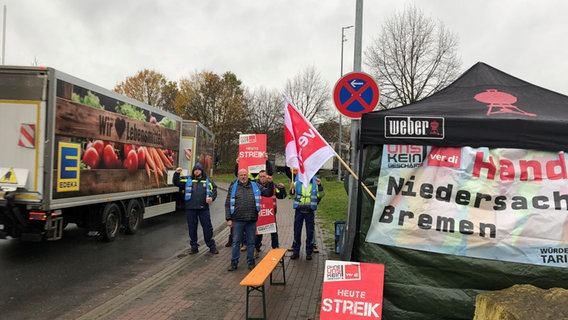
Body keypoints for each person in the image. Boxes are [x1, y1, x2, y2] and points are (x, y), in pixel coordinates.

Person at [225, 169, 271, 271]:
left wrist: (270, 183)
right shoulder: (233, 187)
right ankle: (234, 262)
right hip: (237, 220)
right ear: (238, 176)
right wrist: (228, 218)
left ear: (248, 175)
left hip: (251, 219)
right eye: (241, 175)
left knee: (251, 242)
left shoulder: (255, 185)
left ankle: (251, 262)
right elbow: (227, 203)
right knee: (236, 242)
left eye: (245, 175)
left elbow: (268, 193)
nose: (243, 177)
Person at [226, 152, 274, 248]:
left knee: (257, 225)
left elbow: (269, 173)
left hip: (255, 190)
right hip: (244, 189)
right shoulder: (244, 171)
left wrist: (267, 161)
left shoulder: (261, 168)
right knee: (240, 222)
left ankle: (255, 245)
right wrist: (238, 163)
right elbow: (238, 173)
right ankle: (240, 242)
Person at [173, 163, 219, 255]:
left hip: (203, 209)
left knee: (207, 228)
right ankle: (194, 247)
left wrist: (212, 198)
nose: (197, 171)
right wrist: (176, 174)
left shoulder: (208, 181)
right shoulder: (187, 179)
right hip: (191, 208)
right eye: (195, 170)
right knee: (192, 229)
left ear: (202, 171)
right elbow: (177, 182)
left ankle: (211, 246)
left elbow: (214, 190)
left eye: (198, 170)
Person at [289, 175, 323, 261]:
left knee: (310, 233)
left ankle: (309, 252)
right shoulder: (296, 183)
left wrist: (320, 186)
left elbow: (321, 195)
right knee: (297, 232)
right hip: (299, 210)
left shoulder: (315, 184)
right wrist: (291, 190)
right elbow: (291, 196)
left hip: (309, 211)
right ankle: (296, 252)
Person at [253, 170, 286, 258]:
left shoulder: (273, 185)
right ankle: (256, 248)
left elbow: (281, 196)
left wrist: (282, 189)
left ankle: (275, 248)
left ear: (267, 177)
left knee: (274, 232)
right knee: (258, 232)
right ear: (258, 177)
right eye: (261, 176)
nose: (263, 178)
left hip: (271, 213)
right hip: (259, 213)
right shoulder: (255, 186)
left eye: (264, 176)